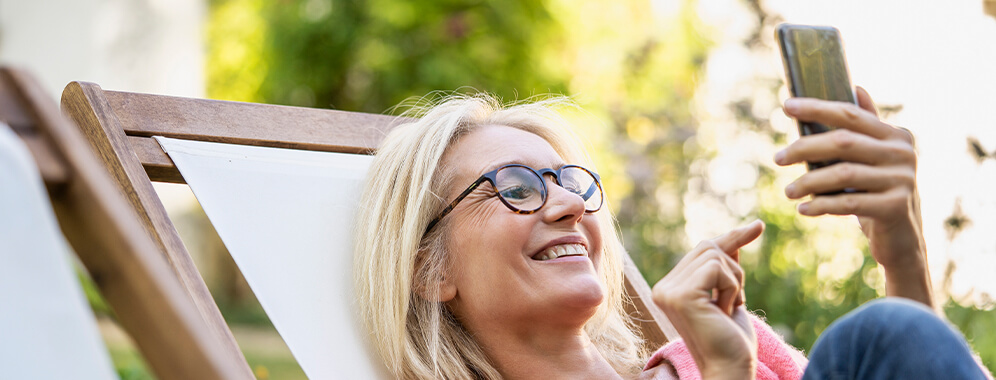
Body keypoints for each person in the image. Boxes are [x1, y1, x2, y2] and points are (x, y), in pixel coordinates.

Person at [352, 89, 992, 379]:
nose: (571, 205)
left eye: (574, 182)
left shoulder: (710, 347)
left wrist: (902, 253)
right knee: (881, 332)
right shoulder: (718, 355)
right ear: (430, 271)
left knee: (888, 335)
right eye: (517, 187)